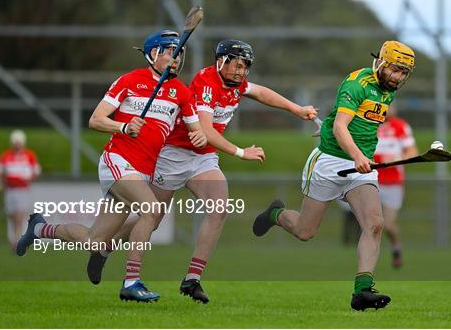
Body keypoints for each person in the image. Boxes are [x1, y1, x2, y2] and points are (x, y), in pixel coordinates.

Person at [86, 39, 318, 303]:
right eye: (237, 65)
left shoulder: (236, 84)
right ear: (221, 61)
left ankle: (192, 279)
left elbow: (260, 92)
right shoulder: (207, 82)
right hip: (172, 156)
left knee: (219, 207)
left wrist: (296, 109)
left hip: (203, 159)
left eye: (245, 66)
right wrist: (240, 152)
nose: (241, 71)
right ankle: (107, 248)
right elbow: (205, 130)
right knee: (153, 219)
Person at [16, 30, 207, 303]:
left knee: (96, 241)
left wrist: (199, 136)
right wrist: (124, 126)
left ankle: (39, 229)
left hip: (143, 171)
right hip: (118, 161)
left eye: (179, 54)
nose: (176, 59)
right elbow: (95, 119)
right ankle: (132, 281)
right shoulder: (130, 81)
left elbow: (196, 130)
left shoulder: (181, 93)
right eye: (170, 52)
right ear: (153, 54)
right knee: (152, 211)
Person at [252, 41, 415, 311]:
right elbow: (340, 126)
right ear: (383, 63)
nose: (398, 78)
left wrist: (364, 157)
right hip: (328, 162)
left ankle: (362, 291)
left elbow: (359, 125)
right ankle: (275, 214)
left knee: (375, 224)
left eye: (404, 74)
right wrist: (357, 156)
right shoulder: (356, 83)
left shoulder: (389, 90)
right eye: (396, 70)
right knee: (305, 231)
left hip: (361, 170)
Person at [373, 105, 417, 268]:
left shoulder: (400, 126)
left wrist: (393, 159)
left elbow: (412, 153)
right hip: (371, 181)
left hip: (393, 183)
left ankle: (396, 248)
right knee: (372, 223)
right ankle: (368, 261)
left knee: (389, 225)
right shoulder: (369, 124)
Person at [0, 130, 41, 251]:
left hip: (22, 190)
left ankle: (17, 241)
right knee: (12, 215)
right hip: (10, 190)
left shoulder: (29, 155)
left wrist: (26, 178)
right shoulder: (6, 156)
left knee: (19, 217)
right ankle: (16, 239)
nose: (17, 144)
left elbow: (36, 172)